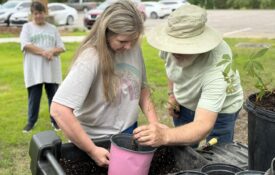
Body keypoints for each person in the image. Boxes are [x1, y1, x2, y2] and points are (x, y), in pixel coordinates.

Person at [50, 0, 158, 167]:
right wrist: (92, 150)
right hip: (96, 141)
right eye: (122, 42)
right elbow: (59, 110)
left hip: (128, 132)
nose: (129, 46)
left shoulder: (133, 46)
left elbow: (141, 88)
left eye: (133, 40)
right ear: (106, 33)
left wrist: (154, 124)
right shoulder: (91, 58)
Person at [133, 4, 243, 147]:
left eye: (183, 47)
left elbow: (203, 124)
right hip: (184, 101)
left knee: (217, 153)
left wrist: (165, 135)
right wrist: (172, 95)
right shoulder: (170, 46)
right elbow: (171, 68)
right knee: (184, 149)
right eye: (174, 46)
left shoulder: (218, 68)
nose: (175, 52)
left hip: (223, 109)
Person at [20, 1, 65, 133]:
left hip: (51, 69)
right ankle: (31, 122)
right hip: (34, 70)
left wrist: (52, 51)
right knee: (34, 98)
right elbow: (26, 45)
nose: (38, 16)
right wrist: (45, 52)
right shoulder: (27, 27)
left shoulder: (52, 28)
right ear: (32, 14)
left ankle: (55, 121)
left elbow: (61, 47)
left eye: (41, 13)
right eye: (36, 13)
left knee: (54, 97)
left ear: (45, 13)